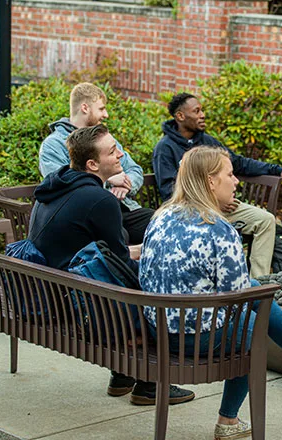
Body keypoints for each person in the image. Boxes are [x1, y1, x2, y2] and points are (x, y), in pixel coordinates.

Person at [140, 145, 282, 440]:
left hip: (158, 327)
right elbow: (237, 294)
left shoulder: (161, 216)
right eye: (230, 174)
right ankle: (230, 417)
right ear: (211, 181)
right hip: (195, 337)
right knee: (254, 321)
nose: (236, 181)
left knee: (255, 293)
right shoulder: (217, 229)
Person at [31, 124, 195, 406]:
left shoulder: (56, 186)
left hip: (49, 290)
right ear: (93, 164)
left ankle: (121, 377)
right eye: (112, 152)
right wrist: (153, 255)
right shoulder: (100, 200)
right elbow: (119, 266)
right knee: (152, 291)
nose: (120, 154)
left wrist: (139, 251)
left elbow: (105, 254)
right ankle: (149, 385)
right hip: (74, 304)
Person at [152, 92, 282, 278]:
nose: (202, 114)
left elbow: (238, 162)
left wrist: (278, 171)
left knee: (265, 220)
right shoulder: (165, 148)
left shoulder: (207, 142)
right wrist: (212, 201)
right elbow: (169, 191)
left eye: (202, 110)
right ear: (180, 116)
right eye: (196, 111)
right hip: (191, 212)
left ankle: (258, 282)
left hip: (223, 206)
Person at [39, 82, 154, 245]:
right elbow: (64, 183)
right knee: (121, 236)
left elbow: (134, 169)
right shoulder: (53, 145)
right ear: (85, 108)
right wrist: (109, 180)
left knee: (159, 222)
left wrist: (125, 185)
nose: (106, 114)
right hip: (87, 213)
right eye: (101, 109)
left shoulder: (103, 138)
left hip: (123, 207)